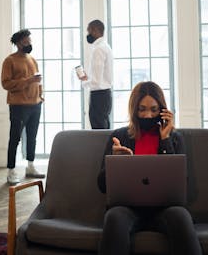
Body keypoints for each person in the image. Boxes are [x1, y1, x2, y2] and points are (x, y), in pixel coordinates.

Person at [97, 81, 202, 255]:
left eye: (154, 110)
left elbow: (182, 184)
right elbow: (101, 186)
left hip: (165, 209)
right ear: (134, 110)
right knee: (114, 217)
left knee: (181, 216)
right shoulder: (119, 136)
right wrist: (115, 162)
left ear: (162, 110)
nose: (147, 115)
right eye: (142, 109)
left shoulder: (175, 138)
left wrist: (166, 139)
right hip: (127, 208)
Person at [1, 29, 45, 185]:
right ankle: (11, 170)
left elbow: (37, 80)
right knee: (15, 138)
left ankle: (30, 166)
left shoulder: (32, 59)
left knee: (32, 137)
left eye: (30, 41)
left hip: (36, 105)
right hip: (18, 106)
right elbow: (6, 84)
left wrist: (41, 95)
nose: (29, 43)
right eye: (26, 41)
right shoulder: (9, 61)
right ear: (18, 43)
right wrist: (28, 81)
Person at [79, 20, 113, 129]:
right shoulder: (106, 47)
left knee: (98, 129)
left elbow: (96, 81)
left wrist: (84, 82)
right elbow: (100, 77)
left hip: (99, 96)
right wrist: (87, 78)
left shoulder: (98, 49)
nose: (88, 35)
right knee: (104, 128)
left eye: (89, 31)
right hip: (105, 94)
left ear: (95, 30)